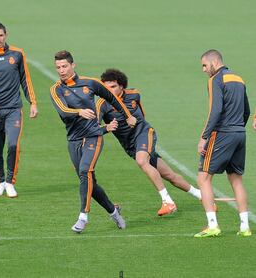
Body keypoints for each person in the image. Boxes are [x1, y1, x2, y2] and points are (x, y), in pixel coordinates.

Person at [50, 50, 137, 233]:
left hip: (93, 136)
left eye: (64, 66)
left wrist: (128, 115)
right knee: (89, 182)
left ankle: (83, 216)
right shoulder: (56, 89)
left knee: (85, 171)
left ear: (73, 65)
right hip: (73, 140)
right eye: (58, 67)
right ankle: (114, 211)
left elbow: (113, 98)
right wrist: (79, 112)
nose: (61, 70)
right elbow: (62, 111)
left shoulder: (90, 83)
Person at [97, 69, 202, 216]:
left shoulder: (134, 94)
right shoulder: (102, 104)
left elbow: (142, 115)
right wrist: (106, 128)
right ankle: (202, 196)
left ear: (121, 86)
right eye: (106, 87)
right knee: (169, 175)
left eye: (113, 86)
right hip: (130, 145)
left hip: (144, 134)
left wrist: (138, 125)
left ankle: (168, 202)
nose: (109, 90)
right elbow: (93, 129)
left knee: (142, 161)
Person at [194, 49, 251, 237]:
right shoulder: (239, 78)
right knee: (236, 179)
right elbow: (246, 110)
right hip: (240, 134)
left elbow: (215, 111)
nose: (203, 70)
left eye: (204, 65)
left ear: (214, 62)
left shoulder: (215, 80)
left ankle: (212, 225)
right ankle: (245, 227)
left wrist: (204, 137)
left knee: (203, 178)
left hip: (223, 134)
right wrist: (237, 129)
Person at [0, 22, 38, 198]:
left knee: (13, 145)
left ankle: (11, 182)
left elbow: (25, 80)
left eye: (1, 35)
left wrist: (32, 102)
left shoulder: (18, 54)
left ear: (6, 35)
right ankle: (0, 182)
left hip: (13, 109)